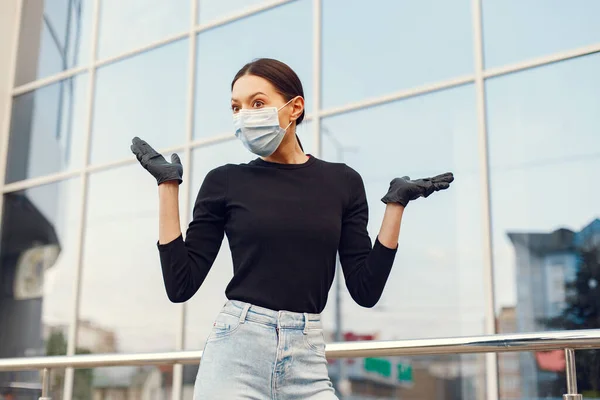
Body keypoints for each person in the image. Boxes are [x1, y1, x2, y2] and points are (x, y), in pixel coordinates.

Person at [131, 58, 453, 399]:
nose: (244, 116)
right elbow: (180, 284)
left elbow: (365, 289)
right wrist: (168, 185)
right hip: (237, 352)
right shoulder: (225, 181)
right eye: (236, 108)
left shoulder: (342, 182)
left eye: (257, 103)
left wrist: (396, 205)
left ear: (294, 107)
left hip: (307, 358)